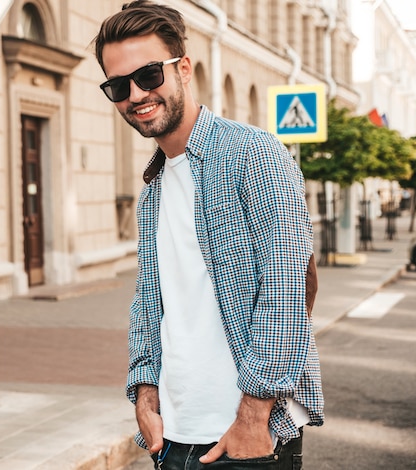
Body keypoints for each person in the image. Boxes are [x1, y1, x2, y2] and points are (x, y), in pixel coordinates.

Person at [93, 1, 323, 469]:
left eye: (149, 76)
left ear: (183, 69)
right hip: (173, 438)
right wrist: (143, 390)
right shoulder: (153, 190)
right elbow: (150, 300)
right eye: (119, 85)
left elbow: (288, 284)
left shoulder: (250, 153)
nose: (136, 94)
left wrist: (254, 416)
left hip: (246, 434)